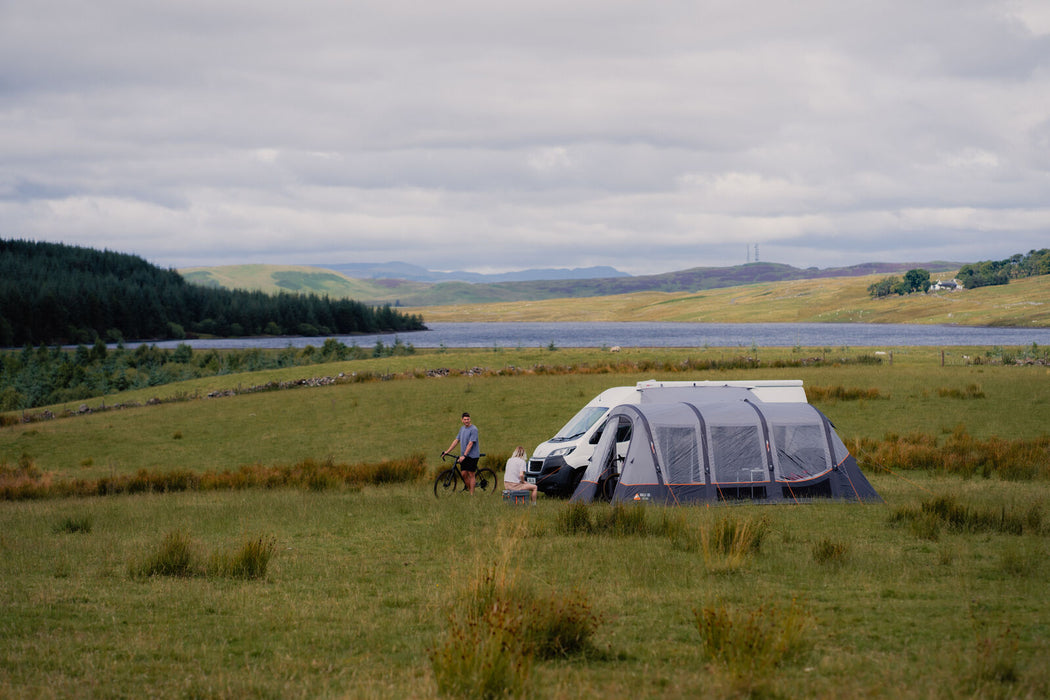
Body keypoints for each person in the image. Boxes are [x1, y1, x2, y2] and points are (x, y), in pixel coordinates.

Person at [443, 412, 480, 494]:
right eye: (465, 419)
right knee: (463, 474)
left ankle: (472, 495)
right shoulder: (462, 429)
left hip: (472, 456)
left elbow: (471, 443)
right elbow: (456, 441)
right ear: (462, 420)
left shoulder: (474, 429)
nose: (466, 421)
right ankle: (470, 489)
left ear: (470, 419)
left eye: (468, 419)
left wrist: (464, 455)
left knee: (471, 474)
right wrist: (447, 451)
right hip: (464, 456)